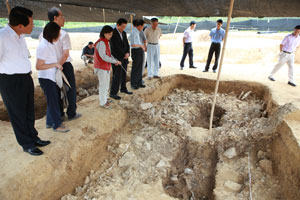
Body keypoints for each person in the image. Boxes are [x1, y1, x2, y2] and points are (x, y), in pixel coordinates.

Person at [0, 6, 50, 156]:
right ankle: (26, 144)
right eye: (31, 24)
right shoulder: (2, 37)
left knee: (29, 110)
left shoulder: (20, 35)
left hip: (25, 77)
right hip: (10, 80)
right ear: (20, 26)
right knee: (18, 114)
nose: (33, 26)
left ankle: (33, 138)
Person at [47, 7, 81, 120]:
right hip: (64, 65)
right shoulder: (63, 34)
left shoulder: (43, 33)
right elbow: (65, 54)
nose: (64, 19)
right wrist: (59, 66)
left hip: (51, 66)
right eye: (62, 16)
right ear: (55, 18)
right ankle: (71, 113)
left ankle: (60, 114)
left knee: (56, 91)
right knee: (70, 89)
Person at [36, 22, 70, 133]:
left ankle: (50, 122)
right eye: (58, 34)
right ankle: (57, 125)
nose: (60, 36)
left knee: (53, 100)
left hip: (51, 77)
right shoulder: (43, 46)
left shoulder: (49, 44)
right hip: (46, 78)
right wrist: (55, 65)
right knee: (53, 101)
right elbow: (38, 66)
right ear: (52, 34)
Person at [94, 25, 121, 109]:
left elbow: (109, 54)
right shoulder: (101, 42)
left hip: (106, 67)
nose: (111, 36)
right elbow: (103, 56)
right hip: (101, 67)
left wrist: (114, 60)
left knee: (106, 85)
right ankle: (102, 102)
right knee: (103, 85)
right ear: (104, 33)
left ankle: (105, 99)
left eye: (111, 34)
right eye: (109, 34)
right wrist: (115, 61)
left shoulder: (106, 41)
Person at [109, 18, 132, 100]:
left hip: (124, 58)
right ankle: (113, 93)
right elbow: (112, 48)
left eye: (125, 26)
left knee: (123, 74)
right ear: (117, 25)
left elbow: (127, 44)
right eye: (122, 26)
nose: (123, 28)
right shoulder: (112, 34)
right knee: (117, 75)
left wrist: (127, 53)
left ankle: (123, 88)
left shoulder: (124, 33)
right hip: (116, 58)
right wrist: (115, 60)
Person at [129, 19, 146, 90]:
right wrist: (141, 46)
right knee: (135, 68)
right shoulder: (134, 32)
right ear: (139, 26)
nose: (143, 27)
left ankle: (139, 82)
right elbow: (133, 44)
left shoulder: (138, 32)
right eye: (142, 26)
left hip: (139, 50)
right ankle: (133, 83)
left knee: (140, 67)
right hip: (136, 51)